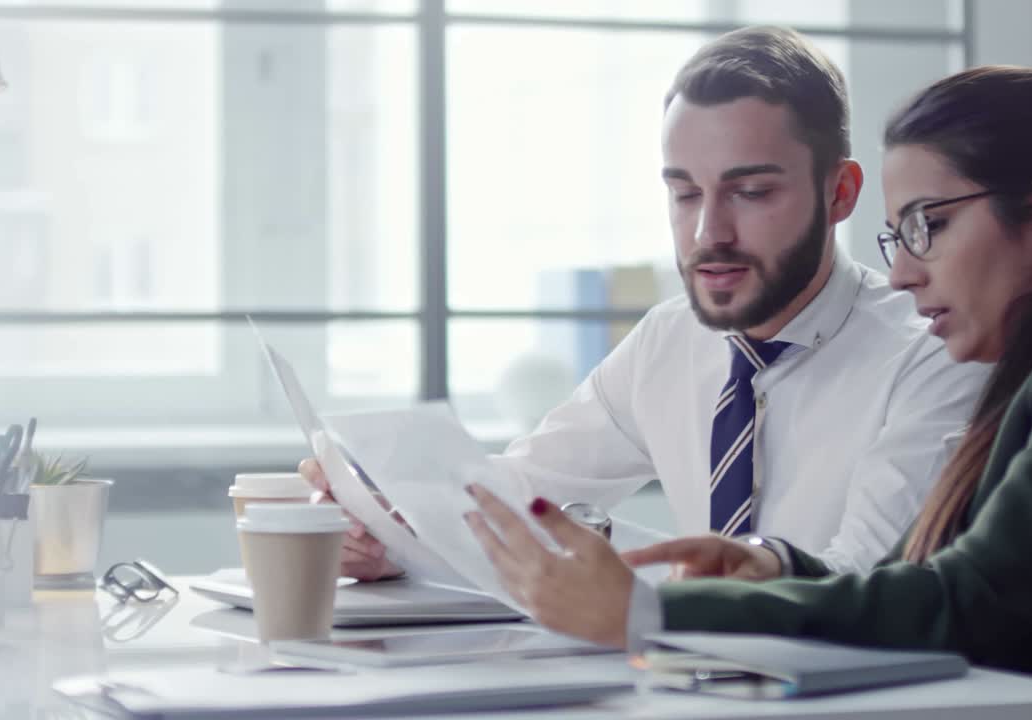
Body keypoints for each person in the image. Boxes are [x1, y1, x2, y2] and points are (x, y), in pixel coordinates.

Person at [463, 65, 1032, 719]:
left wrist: (656, 616)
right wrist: (766, 567)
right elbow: (916, 582)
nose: (901, 271)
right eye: (899, 234)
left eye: (930, 225)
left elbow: (966, 601)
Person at [303, 26, 985, 581]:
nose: (706, 233)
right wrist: (386, 523)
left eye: (750, 193)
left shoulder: (934, 353)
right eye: (685, 192)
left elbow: (862, 582)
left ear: (840, 194)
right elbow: (521, 494)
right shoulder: (670, 339)